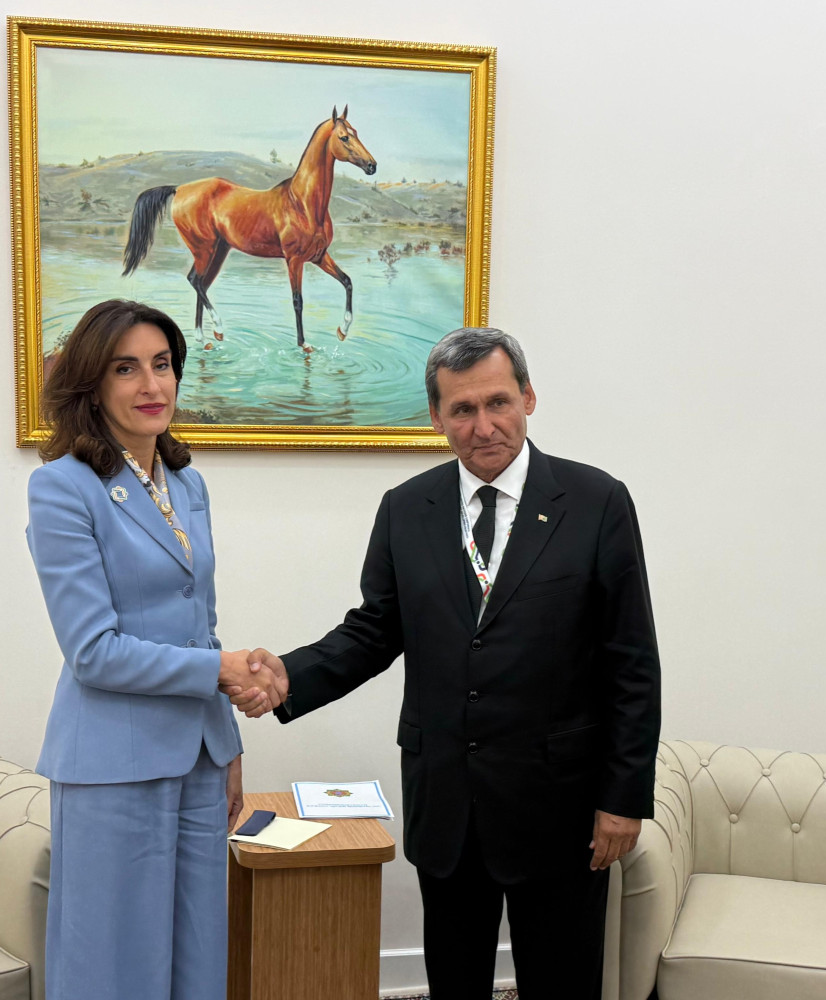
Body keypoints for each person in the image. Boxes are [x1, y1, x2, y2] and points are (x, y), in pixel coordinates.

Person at [231, 327, 661, 1000]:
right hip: (448, 804)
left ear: (528, 398)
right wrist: (289, 676)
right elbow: (375, 630)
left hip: (562, 808)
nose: (483, 426)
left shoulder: (597, 502)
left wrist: (623, 800)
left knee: (563, 984)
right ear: (435, 416)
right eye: (462, 409)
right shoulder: (406, 509)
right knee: (454, 985)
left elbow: (632, 662)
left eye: (498, 403)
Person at [26, 299, 284, 1000]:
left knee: (198, 961)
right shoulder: (60, 488)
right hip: (112, 765)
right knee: (115, 969)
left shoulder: (188, 484)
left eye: (163, 365)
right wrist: (220, 671)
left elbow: (201, 625)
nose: (151, 385)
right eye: (126, 368)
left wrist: (227, 745)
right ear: (92, 384)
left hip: (199, 760)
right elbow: (94, 652)